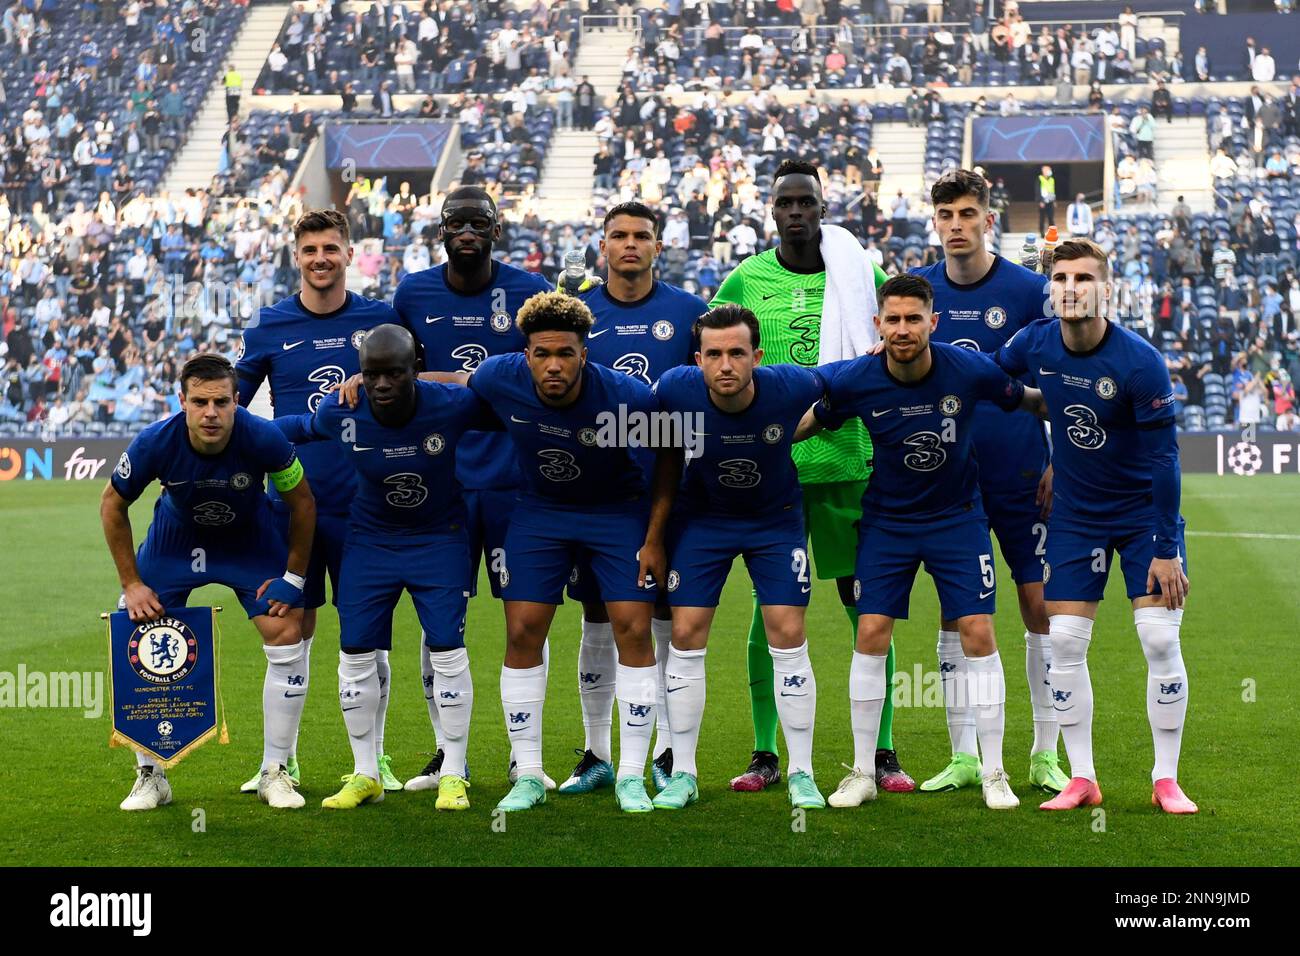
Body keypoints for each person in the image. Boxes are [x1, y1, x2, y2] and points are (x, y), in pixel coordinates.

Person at [797, 274, 1049, 810]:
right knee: (870, 631)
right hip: (887, 523)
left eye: (914, 318)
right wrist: (754, 438)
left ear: (934, 323)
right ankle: (862, 772)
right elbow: (805, 421)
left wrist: (1090, 413)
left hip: (957, 519)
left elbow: (1029, 400)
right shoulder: (856, 378)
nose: (904, 328)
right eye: (894, 319)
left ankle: (994, 771)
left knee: (978, 632)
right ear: (878, 325)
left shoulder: (969, 369)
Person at [710, 160, 911, 794]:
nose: (796, 211)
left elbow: (890, 343)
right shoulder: (745, 278)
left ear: (822, 209)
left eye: (807, 202)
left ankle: (880, 752)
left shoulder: (858, 271)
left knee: (866, 609)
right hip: (774, 473)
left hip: (850, 465)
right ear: (771, 211)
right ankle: (765, 752)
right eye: (785, 203)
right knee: (767, 618)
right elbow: (717, 352)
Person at [993, 238, 1197, 815]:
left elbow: (1164, 460)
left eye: (1083, 279)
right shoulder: (1034, 341)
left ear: (1106, 289)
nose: (1070, 289)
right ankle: (1081, 777)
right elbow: (995, 379)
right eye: (1060, 279)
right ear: (1050, 289)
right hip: (1076, 515)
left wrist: (1165, 548)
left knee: (1159, 638)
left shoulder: (1139, 361)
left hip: (1140, 517)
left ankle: (1166, 778)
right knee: (1062, 642)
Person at [275, 325, 498, 811]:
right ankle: (366, 773)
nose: (380, 385)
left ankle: (454, 774)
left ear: (414, 371)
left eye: (393, 373)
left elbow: (510, 409)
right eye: (370, 374)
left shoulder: (451, 404)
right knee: (354, 652)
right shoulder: (343, 410)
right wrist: (235, 437)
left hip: (439, 540)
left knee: (447, 651)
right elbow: (299, 428)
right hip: (370, 542)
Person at [467, 291, 666, 814]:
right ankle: (529, 772)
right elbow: (453, 388)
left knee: (633, 628)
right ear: (524, 353)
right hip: (541, 511)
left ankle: (629, 775)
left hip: (615, 512)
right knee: (522, 629)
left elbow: (670, 460)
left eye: (566, 354)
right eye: (542, 354)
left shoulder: (626, 397)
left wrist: (654, 537)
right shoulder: (497, 377)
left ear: (585, 353)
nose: (553, 365)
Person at [387, 186, 552, 791]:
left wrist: (460, 381)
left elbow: (546, 372)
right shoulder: (412, 293)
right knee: (439, 628)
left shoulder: (532, 291)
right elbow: (391, 374)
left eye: (477, 222)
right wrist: (468, 379)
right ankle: (443, 750)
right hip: (442, 484)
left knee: (525, 621)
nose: (466, 231)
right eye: (455, 222)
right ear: (440, 232)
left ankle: (523, 757)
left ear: (496, 230)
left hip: (515, 481)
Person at [909, 170, 1068, 794]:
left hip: (1024, 474)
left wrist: (1062, 459)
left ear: (987, 220)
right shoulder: (919, 292)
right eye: (945, 215)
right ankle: (964, 755)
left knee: (1040, 608)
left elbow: (1059, 380)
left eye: (966, 214)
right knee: (957, 612)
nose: (955, 226)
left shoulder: (1030, 290)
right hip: (950, 480)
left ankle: (1045, 753)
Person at [234, 209, 402, 793]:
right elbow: (232, 412)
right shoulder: (269, 325)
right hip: (294, 505)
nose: (320, 259)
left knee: (368, 635)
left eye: (331, 248)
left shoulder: (381, 321)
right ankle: (278, 762)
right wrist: (311, 420)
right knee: (291, 631)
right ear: (296, 256)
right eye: (310, 250)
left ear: (349, 254)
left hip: (367, 505)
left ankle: (373, 761)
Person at [102, 355, 317, 811]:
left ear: (238, 401)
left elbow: (302, 503)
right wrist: (133, 583)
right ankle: (150, 775)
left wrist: (293, 578)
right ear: (182, 401)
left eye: (221, 401)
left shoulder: (264, 437)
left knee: (285, 630)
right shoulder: (154, 442)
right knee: (134, 622)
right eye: (199, 401)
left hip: (249, 540)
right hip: (177, 540)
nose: (211, 412)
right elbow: (111, 505)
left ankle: (274, 771)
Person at [646, 305, 828, 811]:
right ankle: (682, 772)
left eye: (737, 353)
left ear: (757, 356)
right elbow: (655, 450)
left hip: (775, 521)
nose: (725, 365)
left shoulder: (791, 386)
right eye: (714, 354)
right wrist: (655, 536)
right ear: (697, 359)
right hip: (704, 521)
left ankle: (802, 772)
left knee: (788, 637)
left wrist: (823, 417)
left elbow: (849, 382)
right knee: (684, 636)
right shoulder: (674, 389)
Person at [559, 202, 707, 795]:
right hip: (592, 496)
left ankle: (669, 753)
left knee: (667, 616)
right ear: (602, 245)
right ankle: (596, 752)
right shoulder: (580, 313)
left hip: (669, 490)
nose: (629, 245)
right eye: (618, 235)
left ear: (658, 246)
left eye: (640, 236)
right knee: (598, 615)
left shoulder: (689, 313)